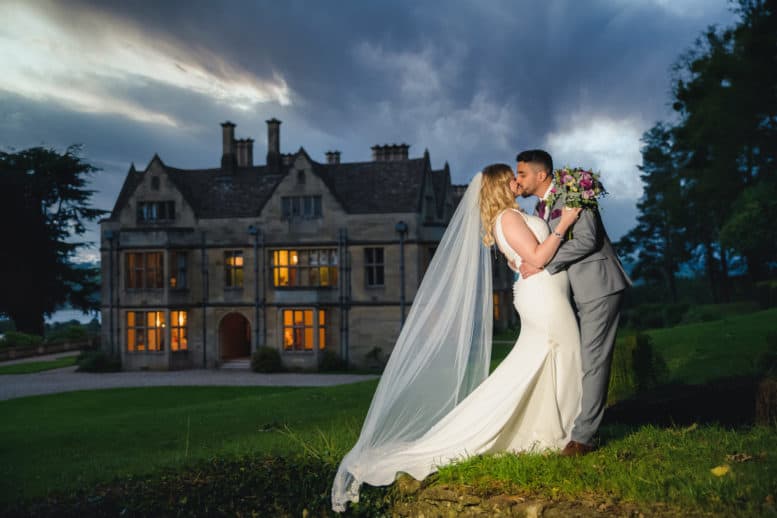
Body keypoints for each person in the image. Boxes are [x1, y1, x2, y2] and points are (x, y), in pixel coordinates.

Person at [331, 164, 583, 512]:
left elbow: (528, 256)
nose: (516, 181)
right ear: (498, 185)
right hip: (543, 299)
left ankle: (565, 427)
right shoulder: (508, 219)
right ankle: (570, 430)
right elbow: (537, 257)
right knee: (562, 352)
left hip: (542, 295)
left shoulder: (509, 218)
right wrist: (567, 222)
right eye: (511, 177)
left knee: (544, 360)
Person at [514, 149, 631, 456]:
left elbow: (587, 239)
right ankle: (575, 423)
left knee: (593, 361)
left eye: (522, 174)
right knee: (579, 359)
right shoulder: (541, 208)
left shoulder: (574, 190)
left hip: (598, 285)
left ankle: (583, 438)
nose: (518, 179)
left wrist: (543, 264)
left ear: (541, 175)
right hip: (573, 293)